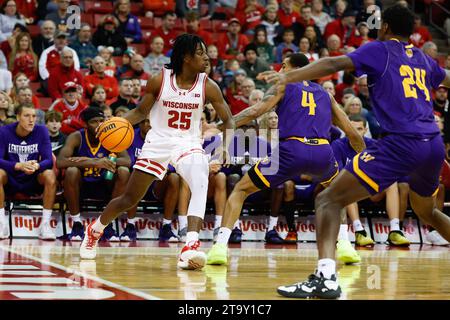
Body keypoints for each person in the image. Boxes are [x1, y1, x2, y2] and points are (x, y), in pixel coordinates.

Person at [260, 4, 450, 299]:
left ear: (384, 27)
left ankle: (325, 277)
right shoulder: (423, 57)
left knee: (327, 199)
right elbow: (447, 76)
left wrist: (290, 76)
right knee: (428, 211)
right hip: (433, 144)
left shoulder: (380, 49)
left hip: (402, 143)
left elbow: (334, 63)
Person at [78, 34, 234, 272]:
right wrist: (113, 123)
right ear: (185, 57)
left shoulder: (208, 86)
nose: (206, 57)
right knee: (129, 199)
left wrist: (225, 146)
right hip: (158, 142)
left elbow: (229, 120)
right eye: (200, 53)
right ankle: (95, 229)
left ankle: (190, 244)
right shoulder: (159, 80)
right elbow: (141, 112)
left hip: (188, 142)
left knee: (201, 176)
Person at [206, 53, 364, 266]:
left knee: (241, 190)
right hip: (322, 152)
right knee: (337, 194)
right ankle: (345, 244)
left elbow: (256, 110)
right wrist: (364, 158)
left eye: (283, 65)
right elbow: (351, 131)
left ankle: (219, 247)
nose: (280, 69)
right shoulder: (326, 95)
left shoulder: (284, 85)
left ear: (293, 69)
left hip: (291, 150)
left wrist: (222, 125)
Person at [56, 107, 131, 241]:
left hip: (105, 184)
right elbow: (60, 162)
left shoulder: (111, 136)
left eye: (101, 121)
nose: (99, 125)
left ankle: (108, 224)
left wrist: (107, 161)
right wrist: (94, 162)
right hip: (82, 186)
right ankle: (77, 224)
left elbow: (127, 160)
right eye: (94, 122)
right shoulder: (77, 137)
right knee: (71, 171)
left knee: (123, 172)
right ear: (85, 124)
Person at [0, 104, 57, 240]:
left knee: (49, 174)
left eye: (34, 116)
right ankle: (1, 224)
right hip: (11, 179)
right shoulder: (4, 131)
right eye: (27, 116)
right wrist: (18, 165)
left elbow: (49, 160)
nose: (31, 120)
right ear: (18, 117)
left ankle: (45, 225)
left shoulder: (41, 130)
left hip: (32, 178)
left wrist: (36, 166)